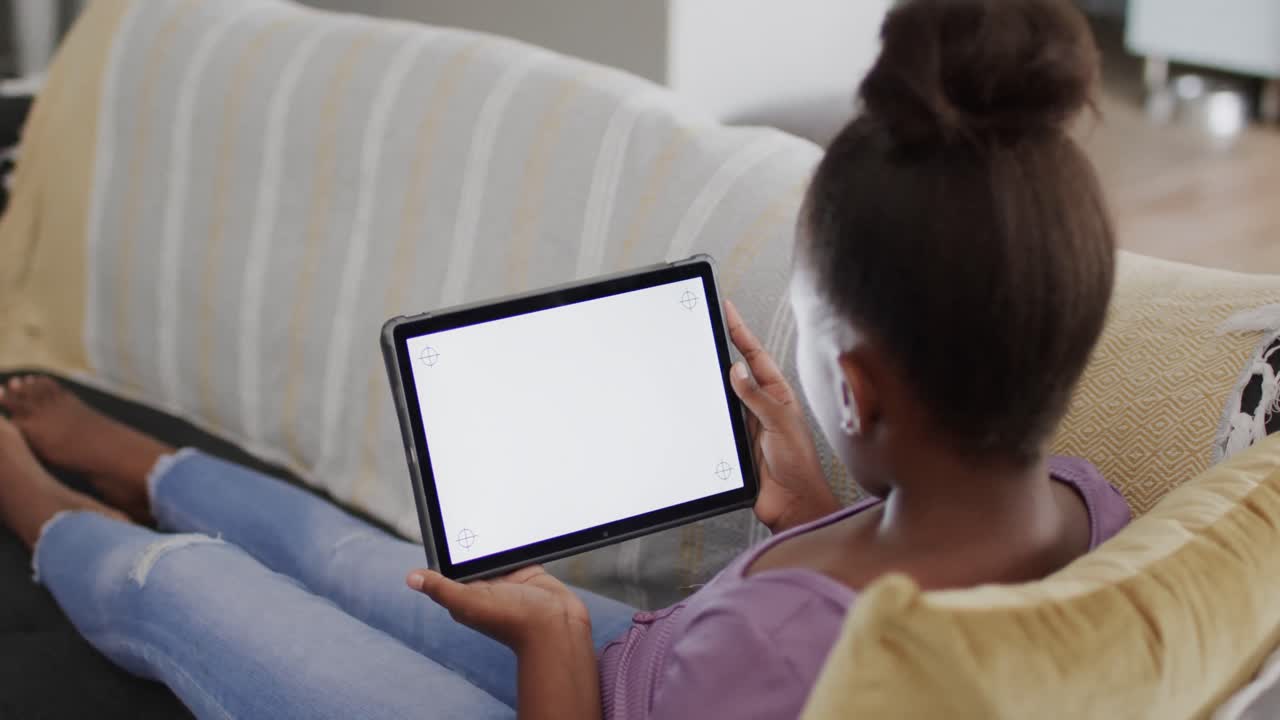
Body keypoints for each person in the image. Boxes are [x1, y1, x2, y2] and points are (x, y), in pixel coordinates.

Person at [0, 0, 1130, 717]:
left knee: (200, 593)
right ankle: (148, 466)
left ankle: (42, 503)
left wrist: (548, 637)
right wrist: (805, 518)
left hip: (586, 691)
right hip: (659, 667)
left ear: (856, 386)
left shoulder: (770, 645)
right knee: (352, 557)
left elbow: (785, 663)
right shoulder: (1089, 509)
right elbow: (884, 622)